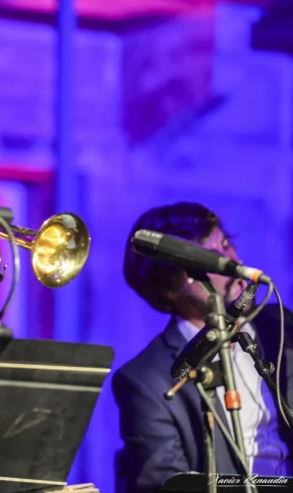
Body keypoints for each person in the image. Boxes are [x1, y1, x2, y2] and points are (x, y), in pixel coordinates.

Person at [113, 202, 293, 493]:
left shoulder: (278, 327)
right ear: (169, 287)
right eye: (208, 258)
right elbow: (165, 485)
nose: (229, 261)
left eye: (225, 245)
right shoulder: (144, 380)